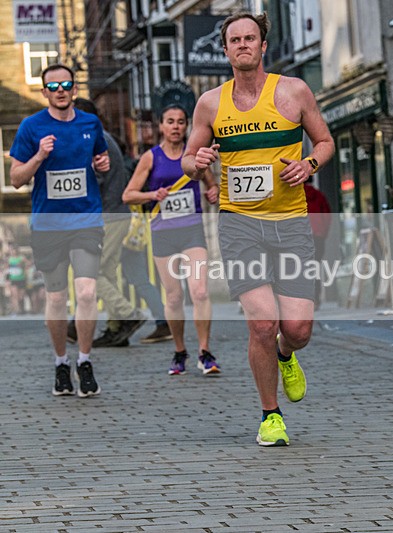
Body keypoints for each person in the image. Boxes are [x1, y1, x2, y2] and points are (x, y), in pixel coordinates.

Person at [183, 11, 334, 446]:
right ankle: (271, 415)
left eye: (251, 38)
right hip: (239, 225)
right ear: (226, 49)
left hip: (290, 222)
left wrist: (307, 164)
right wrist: (200, 163)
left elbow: (324, 142)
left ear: (263, 45)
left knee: (297, 329)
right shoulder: (210, 103)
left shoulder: (294, 91)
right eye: (235, 40)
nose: (244, 45)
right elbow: (188, 160)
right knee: (262, 324)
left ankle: (287, 356)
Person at [10, 63, 109, 397]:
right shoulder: (30, 126)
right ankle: (60, 363)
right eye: (53, 86)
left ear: (75, 89)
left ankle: (84, 360)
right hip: (48, 224)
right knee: (56, 297)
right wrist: (39, 156)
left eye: (66, 84)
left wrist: (102, 164)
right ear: (45, 93)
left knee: (85, 293)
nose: (61, 90)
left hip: (86, 221)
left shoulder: (90, 123)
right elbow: (16, 178)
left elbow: (101, 160)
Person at [123, 104, 220, 375]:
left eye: (180, 122)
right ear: (161, 127)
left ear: (187, 126)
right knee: (174, 296)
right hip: (163, 233)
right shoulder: (150, 158)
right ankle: (179, 350)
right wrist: (152, 196)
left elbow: (210, 184)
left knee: (199, 290)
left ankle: (205, 352)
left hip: (192, 230)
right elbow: (128, 194)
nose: (176, 126)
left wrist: (213, 193)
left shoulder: (194, 155)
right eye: (170, 121)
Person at [67, 97, 146, 348]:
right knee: (107, 271)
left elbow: (92, 184)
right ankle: (116, 328)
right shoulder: (101, 138)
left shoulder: (93, 142)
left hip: (106, 215)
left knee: (89, 272)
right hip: (114, 214)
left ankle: (128, 314)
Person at [120, 205, 173, 344]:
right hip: (135, 231)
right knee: (142, 281)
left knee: (98, 276)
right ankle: (164, 323)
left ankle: (77, 325)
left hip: (117, 227)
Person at [303, 182, 332, 308]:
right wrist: (323, 232)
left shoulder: (295, 196)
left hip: (301, 235)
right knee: (315, 268)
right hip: (318, 236)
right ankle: (316, 298)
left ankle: (305, 299)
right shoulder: (319, 195)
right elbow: (327, 215)